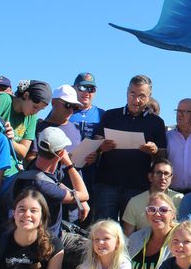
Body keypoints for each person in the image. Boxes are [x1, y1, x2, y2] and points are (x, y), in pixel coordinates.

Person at [93, 75, 167, 222]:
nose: (136, 100)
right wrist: (101, 146)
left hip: (138, 187)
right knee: (104, 230)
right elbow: (95, 142)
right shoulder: (110, 115)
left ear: (149, 96)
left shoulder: (156, 122)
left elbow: (163, 156)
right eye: (132, 94)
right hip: (107, 184)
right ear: (127, 92)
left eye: (141, 96)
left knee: (132, 234)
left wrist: (154, 151)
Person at [7, 127, 90, 238]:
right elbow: (84, 194)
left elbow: (55, 182)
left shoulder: (35, 166)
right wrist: (69, 165)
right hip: (47, 240)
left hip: (53, 232)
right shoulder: (42, 186)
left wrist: (76, 197)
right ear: (60, 154)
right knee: (90, 248)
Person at [0, 80, 52, 190]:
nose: (36, 112)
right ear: (26, 95)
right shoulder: (5, 100)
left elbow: (23, 152)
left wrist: (9, 140)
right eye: (35, 106)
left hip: (10, 174)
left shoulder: (31, 117)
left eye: (40, 109)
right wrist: (2, 136)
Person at [121, 158, 184, 237]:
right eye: (158, 173)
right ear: (150, 176)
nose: (163, 177)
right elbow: (127, 236)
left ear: (172, 178)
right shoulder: (135, 202)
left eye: (167, 174)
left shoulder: (180, 199)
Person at [69, 72, 104, 197]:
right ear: (74, 88)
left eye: (91, 89)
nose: (87, 92)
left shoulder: (102, 114)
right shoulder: (64, 110)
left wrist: (98, 153)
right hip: (66, 169)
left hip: (92, 172)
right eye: (82, 87)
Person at [30, 84, 83, 157]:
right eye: (68, 105)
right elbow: (30, 157)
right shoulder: (37, 128)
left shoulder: (77, 130)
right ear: (54, 102)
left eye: (75, 107)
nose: (71, 110)